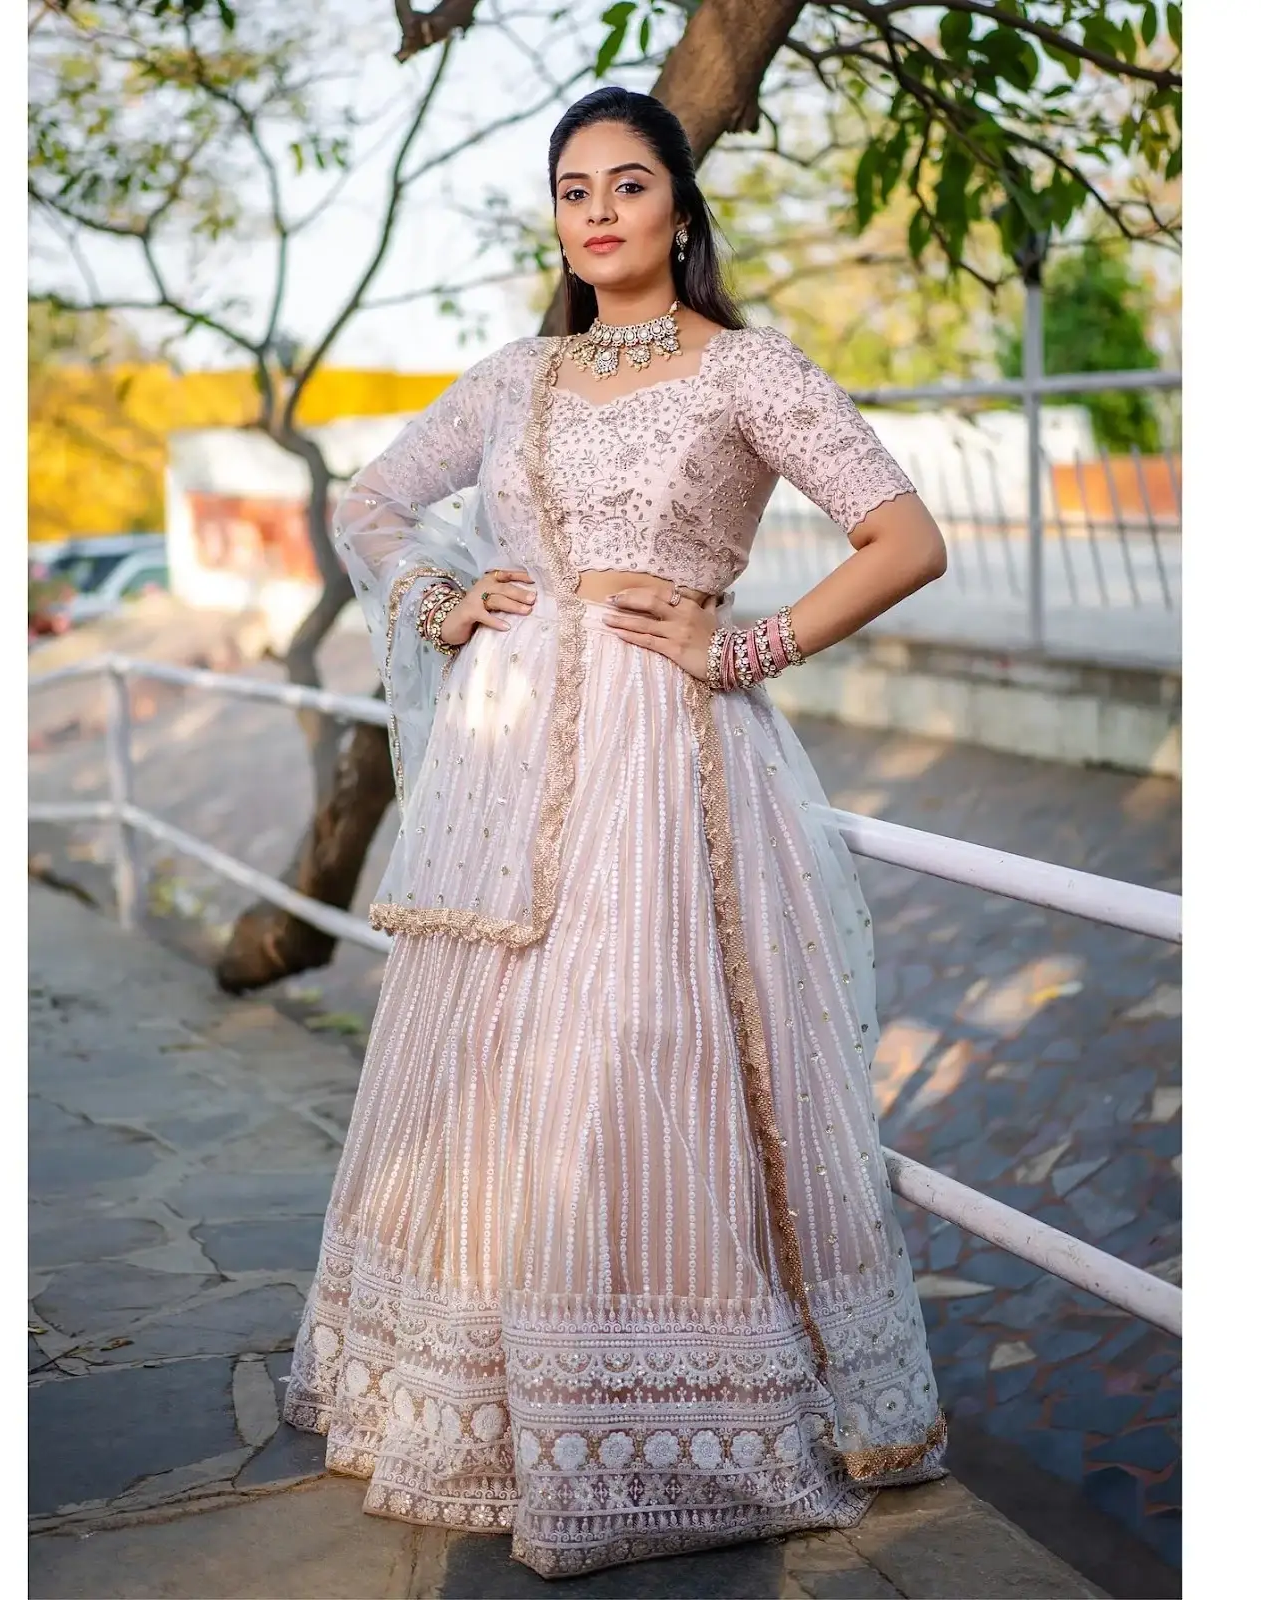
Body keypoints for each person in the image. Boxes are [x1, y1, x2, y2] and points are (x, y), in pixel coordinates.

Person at [284, 85, 949, 1579]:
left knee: (630, 1055)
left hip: (668, 764)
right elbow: (378, 502)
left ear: (678, 210)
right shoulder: (513, 377)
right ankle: (497, 1411)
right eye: (572, 187)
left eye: (628, 184)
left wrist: (746, 646)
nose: (596, 211)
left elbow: (905, 539)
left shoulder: (745, 372)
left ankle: (651, 1417)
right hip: (505, 773)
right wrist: (442, 605)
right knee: (499, 1068)